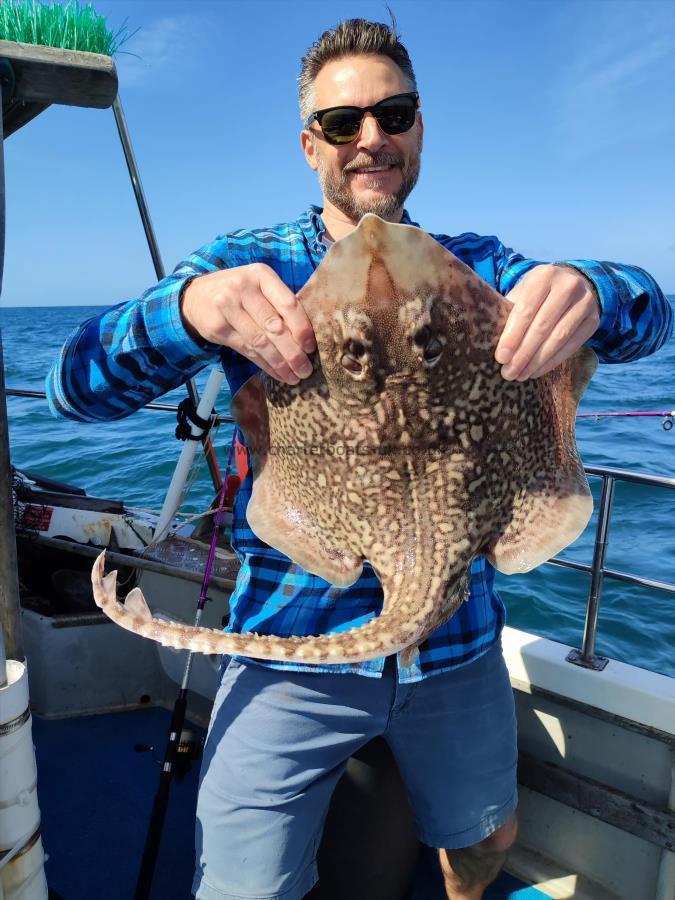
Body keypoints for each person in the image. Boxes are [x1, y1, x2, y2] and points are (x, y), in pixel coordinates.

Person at [47, 17, 673, 900]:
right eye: (343, 123)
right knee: (245, 889)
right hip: (287, 645)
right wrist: (186, 311)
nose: (371, 137)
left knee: (486, 843)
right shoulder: (246, 266)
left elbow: (652, 316)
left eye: (395, 113)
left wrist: (591, 288)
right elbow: (72, 390)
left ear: (419, 127)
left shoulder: (485, 268)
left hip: (457, 649)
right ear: (311, 144)